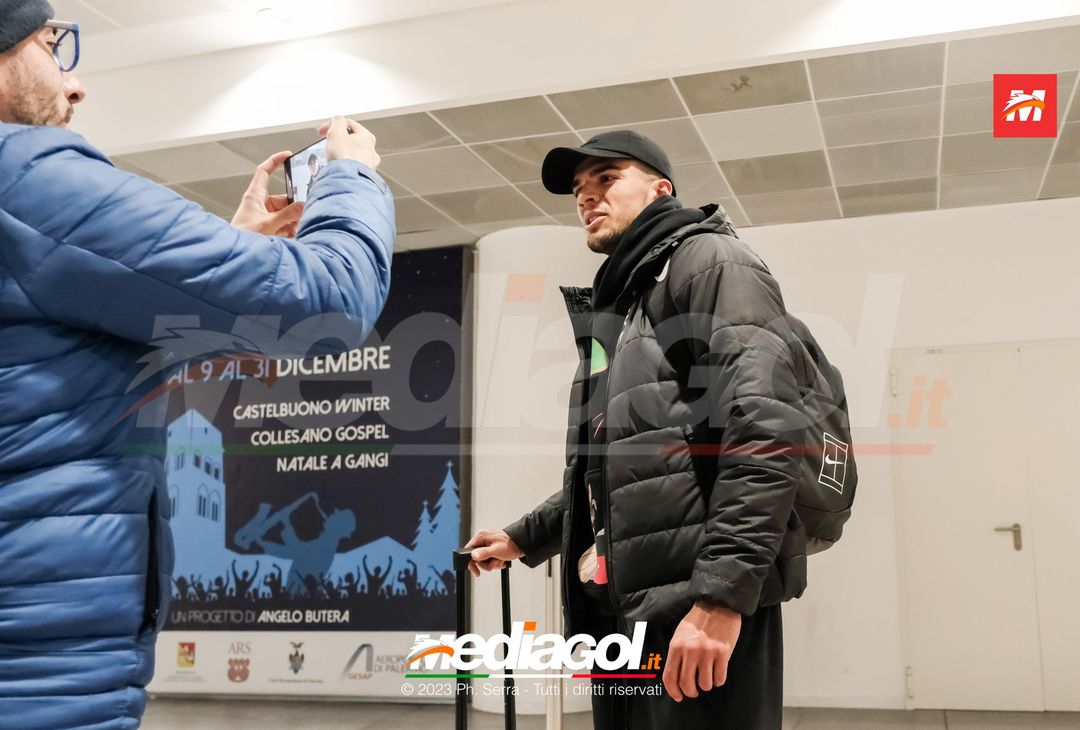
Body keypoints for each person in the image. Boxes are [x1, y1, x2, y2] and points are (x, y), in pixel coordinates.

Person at [0, 1, 395, 727]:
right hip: (37, 678)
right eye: (51, 46)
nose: (75, 82)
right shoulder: (24, 180)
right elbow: (327, 308)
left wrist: (229, 248)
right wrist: (350, 179)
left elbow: (44, 377)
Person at [466, 131, 809, 729]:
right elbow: (617, 469)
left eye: (606, 179)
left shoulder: (709, 262)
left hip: (690, 608)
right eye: (578, 190)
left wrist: (721, 599)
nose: (587, 197)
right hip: (624, 615)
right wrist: (525, 536)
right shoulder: (624, 310)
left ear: (661, 188)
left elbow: (766, 426)